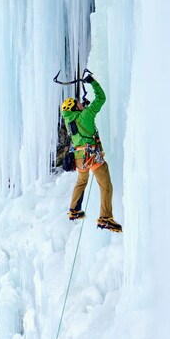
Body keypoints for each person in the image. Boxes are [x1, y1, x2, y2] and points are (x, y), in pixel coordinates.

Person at [60, 73, 122, 232]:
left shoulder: (70, 121)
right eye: (77, 104)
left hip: (80, 159)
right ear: (75, 108)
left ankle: (74, 210)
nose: (80, 104)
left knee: (81, 182)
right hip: (92, 156)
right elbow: (101, 98)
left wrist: (84, 108)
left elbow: (82, 118)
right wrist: (93, 82)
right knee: (106, 186)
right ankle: (106, 217)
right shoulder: (86, 114)